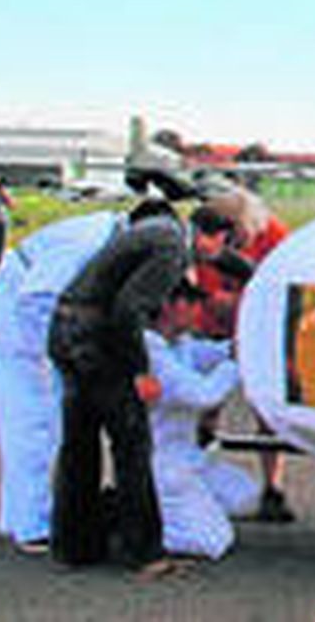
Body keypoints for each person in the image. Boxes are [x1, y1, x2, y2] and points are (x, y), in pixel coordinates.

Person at [47, 200, 191, 578]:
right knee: (132, 445)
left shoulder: (135, 237)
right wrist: (140, 370)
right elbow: (129, 307)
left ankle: (73, 546)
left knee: (79, 444)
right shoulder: (172, 245)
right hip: (96, 340)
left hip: (62, 331)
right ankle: (143, 552)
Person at [0, 210, 125, 554]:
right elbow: (37, 298)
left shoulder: (102, 233)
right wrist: (55, 359)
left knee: (37, 425)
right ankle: (34, 525)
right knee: (34, 423)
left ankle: (18, 517)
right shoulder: (86, 241)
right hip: (20, 322)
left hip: (24, 315)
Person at [196, 180, 293, 522]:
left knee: (266, 412)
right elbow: (210, 296)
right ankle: (197, 478)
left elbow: (283, 287)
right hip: (217, 329)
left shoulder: (275, 237)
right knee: (206, 405)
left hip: (261, 333)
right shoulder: (210, 240)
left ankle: (274, 488)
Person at [145, 299, 260, 561]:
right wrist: (233, 364)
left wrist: (242, 345)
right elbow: (202, 394)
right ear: (168, 308)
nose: (199, 311)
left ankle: (172, 511)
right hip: (162, 461)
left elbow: (214, 351)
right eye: (190, 304)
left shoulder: (180, 344)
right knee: (210, 542)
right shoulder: (150, 351)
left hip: (186, 456)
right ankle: (134, 527)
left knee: (243, 495)